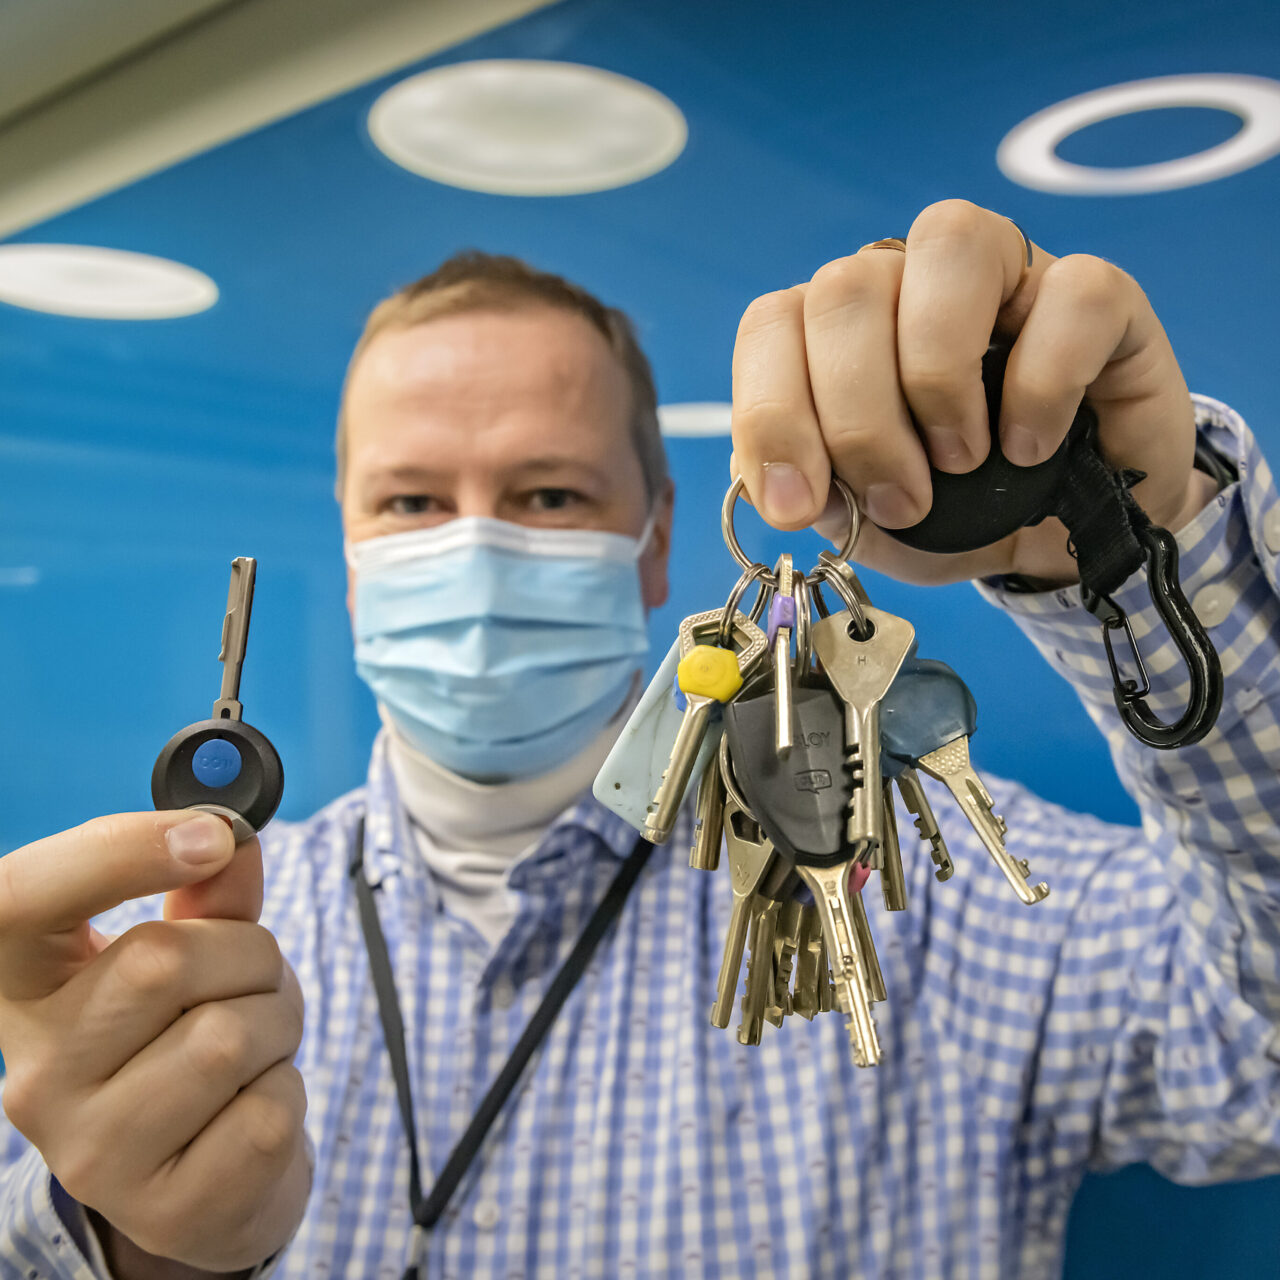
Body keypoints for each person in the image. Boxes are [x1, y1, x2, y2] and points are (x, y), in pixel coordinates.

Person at [2, 199, 1278, 1280]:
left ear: (658, 540)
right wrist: (125, 1247)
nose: (476, 543)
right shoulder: (174, 968)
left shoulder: (938, 898)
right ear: (349, 554)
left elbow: (1253, 1055)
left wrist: (1138, 542)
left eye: (549, 492)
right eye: (412, 499)